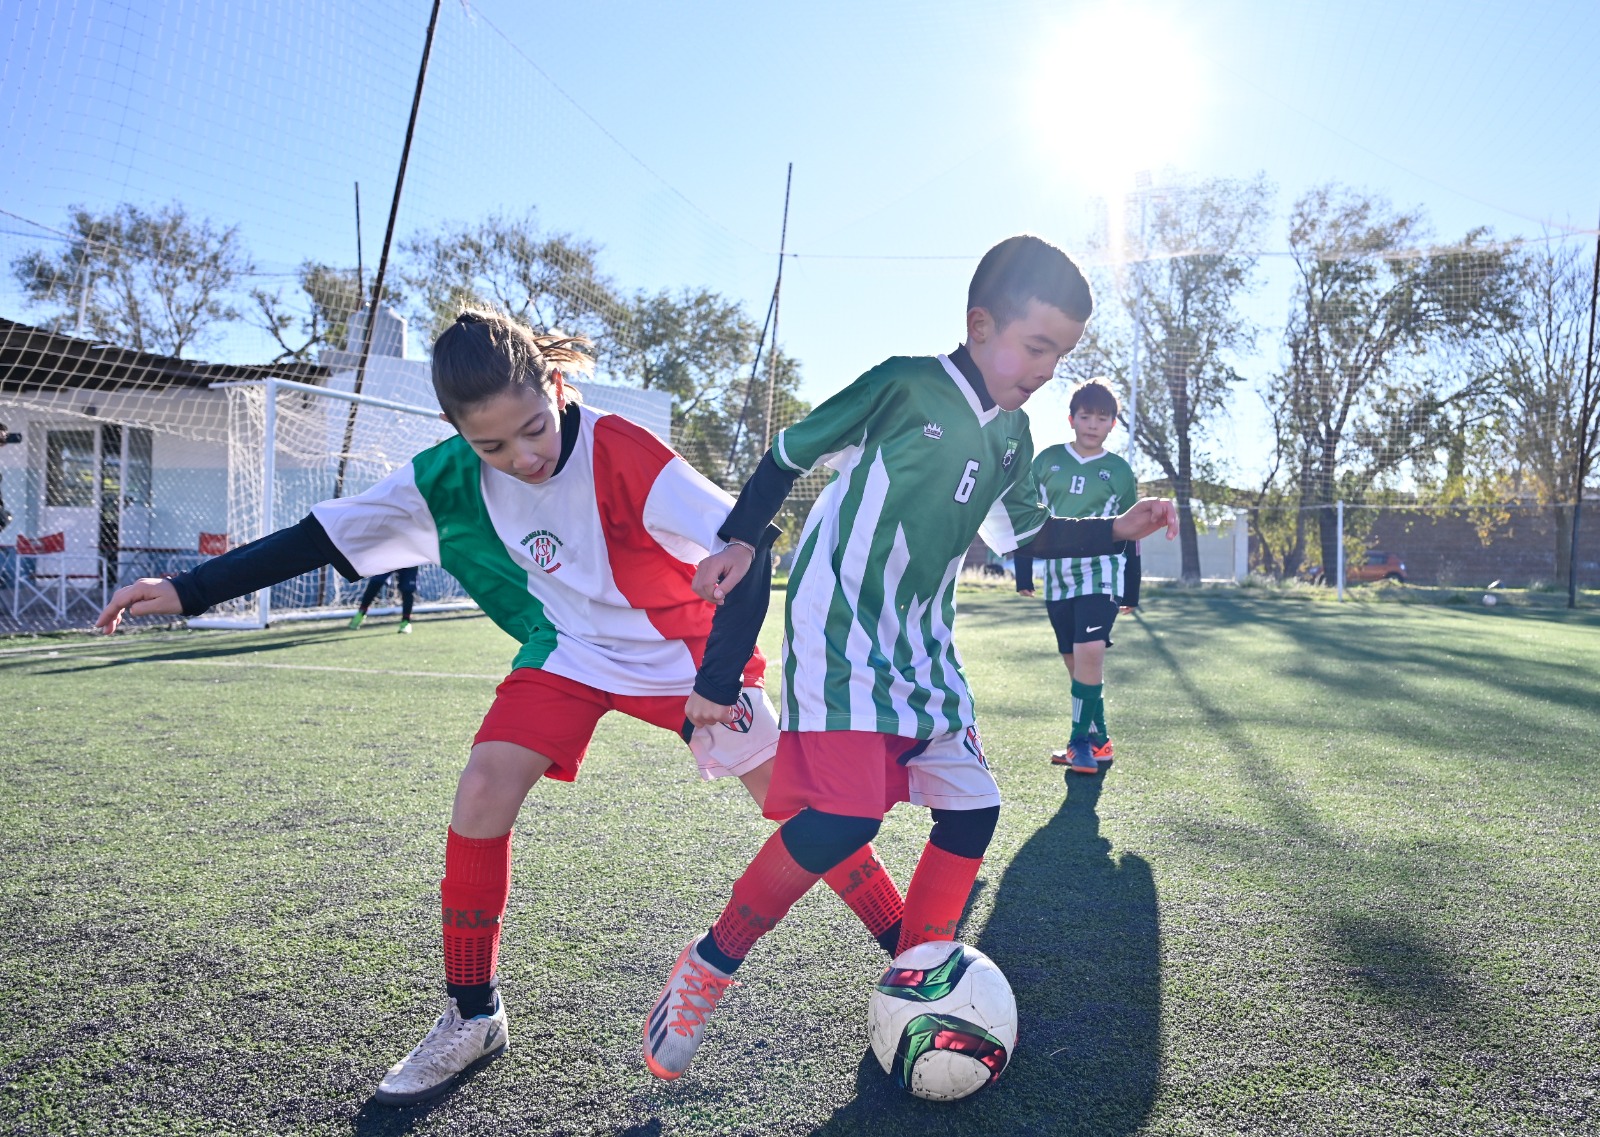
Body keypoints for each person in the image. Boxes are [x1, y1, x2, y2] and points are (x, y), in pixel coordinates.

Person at [94, 310, 908, 1107]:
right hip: (568, 651)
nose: (522, 457)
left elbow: (749, 544)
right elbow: (318, 537)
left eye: (533, 429)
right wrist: (189, 589)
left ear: (555, 386)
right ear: (457, 432)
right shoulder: (444, 479)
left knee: (796, 803)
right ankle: (472, 1014)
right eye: (492, 446)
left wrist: (721, 680)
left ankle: (910, 948)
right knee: (483, 786)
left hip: (682, 653)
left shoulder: (624, 451)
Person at [641, 235, 1178, 1080]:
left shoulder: (1015, 436)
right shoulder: (903, 385)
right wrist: (740, 537)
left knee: (973, 809)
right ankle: (708, 964)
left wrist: (1117, 527)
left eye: (1061, 355)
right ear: (981, 325)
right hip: (840, 626)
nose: (1046, 370)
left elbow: (1025, 538)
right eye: (1037, 346)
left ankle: (918, 977)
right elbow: (787, 454)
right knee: (845, 819)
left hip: (926, 641)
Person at [1013, 377, 1141, 775]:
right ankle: (1100, 740)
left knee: (1090, 653)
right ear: (1071, 419)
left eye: (1102, 418)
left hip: (1102, 573)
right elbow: (1026, 517)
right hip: (1057, 577)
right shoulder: (1047, 461)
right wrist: (1023, 572)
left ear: (1113, 424)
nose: (1092, 424)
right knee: (1075, 662)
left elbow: (1132, 531)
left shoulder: (1119, 471)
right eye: (1085, 416)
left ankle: (1078, 742)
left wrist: (1132, 589)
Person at [348, 565, 420, 633]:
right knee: (376, 581)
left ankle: (406, 621)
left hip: (408, 561)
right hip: (388, 558)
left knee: (408, 589)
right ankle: (361, 613)